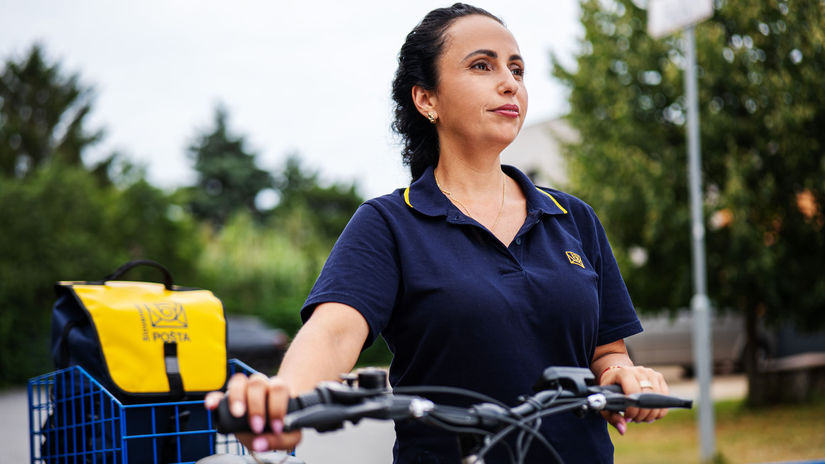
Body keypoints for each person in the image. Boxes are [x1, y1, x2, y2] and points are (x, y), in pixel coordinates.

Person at [205, 3, 669, 462]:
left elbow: (607, 351)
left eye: (517, 69)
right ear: (427, 99)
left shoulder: (573, 217)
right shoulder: (388, 223)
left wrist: (622, 375)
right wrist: (284, 400)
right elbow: (333, 333)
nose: (510, 82)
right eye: (482, 65)